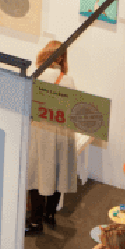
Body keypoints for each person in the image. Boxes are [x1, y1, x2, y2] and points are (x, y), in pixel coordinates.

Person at [25, 40, 78, 236]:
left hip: (41, 132)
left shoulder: (36, 76)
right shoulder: (68, 80)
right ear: (62, 58)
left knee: (37, 176)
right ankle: (50, 215)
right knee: (57, 173)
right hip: (62, 134)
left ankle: (35, 221)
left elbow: (28, 105)